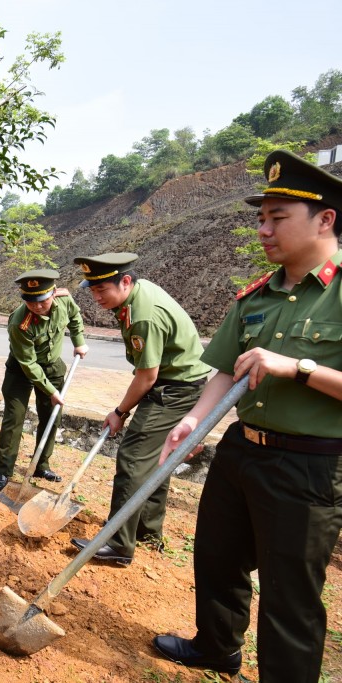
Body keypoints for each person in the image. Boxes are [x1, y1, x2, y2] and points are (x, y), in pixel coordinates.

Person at [152, 151, 342, 681]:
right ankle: (217, 648)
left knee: (289, 593)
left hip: (308, 466)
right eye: (261, 218)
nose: (263, 229)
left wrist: (297, 367)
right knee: (216, 558)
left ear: (325, 219)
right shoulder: (256, 297)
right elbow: (223, 373)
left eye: (277, 218)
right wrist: (194, 419)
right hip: (241, 451)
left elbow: (285, 369)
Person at [69, 252, 208, 565]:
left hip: (173, 389)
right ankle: (146, 531)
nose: (96, 297)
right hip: (179, 382)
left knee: (133, 458)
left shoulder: (143, 315)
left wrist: (119, 412)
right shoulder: (136, 296)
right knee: (156, 460)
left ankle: (118, 543)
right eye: (92, 291)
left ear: (126, 281)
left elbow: (147, 376)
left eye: (102, 289)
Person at [0, 270, 87, 492]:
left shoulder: (65, 300)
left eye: (42, 301)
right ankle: (3, 471)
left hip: (52, 366)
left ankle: (40, 465)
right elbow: (29, 364)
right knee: (14, 418)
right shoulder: (19, 323)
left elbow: (75, 317)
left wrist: (79, 341)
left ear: (53, 293)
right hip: (21, 370)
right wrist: (51, 390)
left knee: (51, 417)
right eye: (30, 301)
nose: (37, 306)